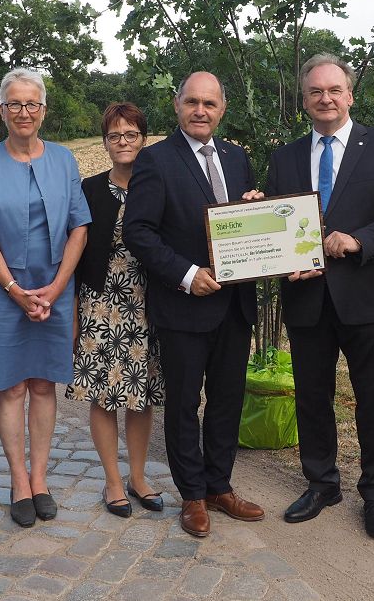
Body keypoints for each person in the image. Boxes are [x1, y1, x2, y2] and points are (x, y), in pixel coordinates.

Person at [265, 53, 374, 539]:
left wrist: (360, 241)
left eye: (334, 90)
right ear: (303, 100)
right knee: (312, 396)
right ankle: (322, 483)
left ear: (350, 95)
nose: (325, 99)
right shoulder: (284, 157)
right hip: (307, 298)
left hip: (366, 296)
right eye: (315, 92)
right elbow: (274, 226)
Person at [122, 72, 264, 538]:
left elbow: (241, 221)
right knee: (185, 404)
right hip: (184, 306)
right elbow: (138, 232)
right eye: (192, 102)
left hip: (235, 305)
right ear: (177, 105)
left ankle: (220, 485)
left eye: (210, 103)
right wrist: (186, 275)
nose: (201, 111)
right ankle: (193, 496)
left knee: (227, 400)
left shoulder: (238, 157)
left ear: (223, 108)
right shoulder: (155, 160)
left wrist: (255, 208)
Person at [0, 68, 91, 528]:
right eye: (14, 104)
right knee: (12, 385)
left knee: (43, 384)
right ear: (2, 111)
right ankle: (18, 479)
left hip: (55, 288)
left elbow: (80, 225)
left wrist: (56, 288)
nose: (24, 112)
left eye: (32, 104)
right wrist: (16, 292)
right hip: (3, 292)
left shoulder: (63, 160)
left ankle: (40, 479)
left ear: (43, 110)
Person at [67, 102, 165, 518]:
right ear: (105, 142)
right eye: (114, 136)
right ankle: (112, 480)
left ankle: (138, 476)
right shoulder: (88, 189)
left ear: (144, 139)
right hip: (100, 303)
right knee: (104, 397)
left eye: (131, 135)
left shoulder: (160, 183)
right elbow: (71, 248)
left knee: (139, 397)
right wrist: (71, 309)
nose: (123, 142)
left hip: (149, 303)